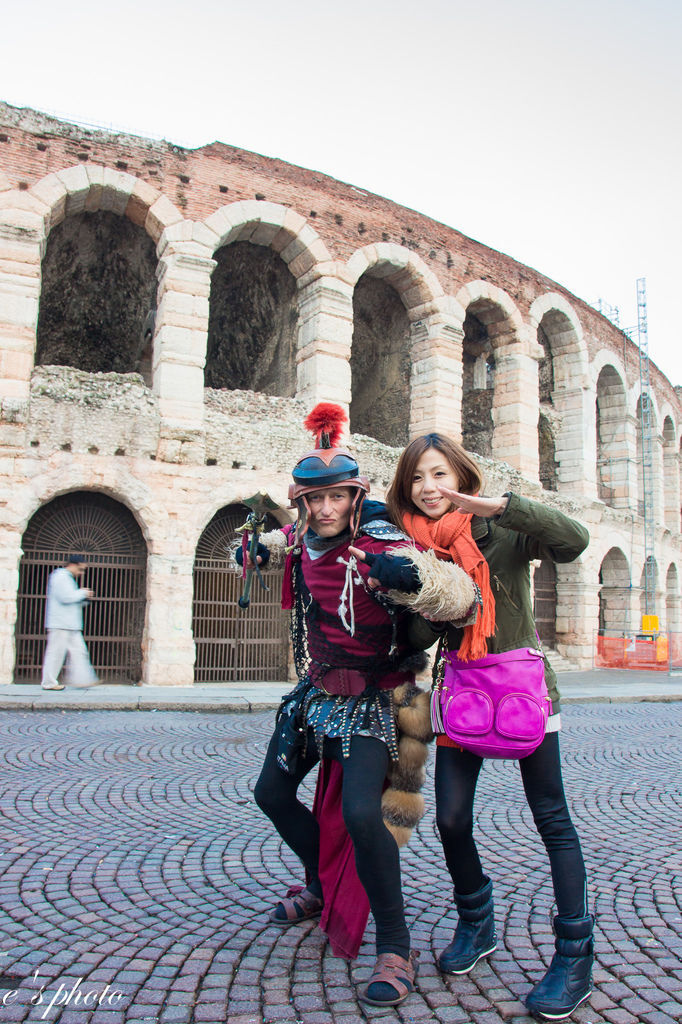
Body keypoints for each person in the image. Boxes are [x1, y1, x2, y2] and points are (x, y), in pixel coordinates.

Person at [233, 405, 476, 1008]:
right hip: (316, 693)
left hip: (377, 696)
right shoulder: (299, 537)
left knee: (366, 817)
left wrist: (409, 578)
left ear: (354, 495)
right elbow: (262, 546)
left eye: (335, 497)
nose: (323, 510)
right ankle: (320, 883)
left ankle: (395, 946)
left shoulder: (382, 539)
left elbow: (458, 594)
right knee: (269, 794)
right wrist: (250, 554)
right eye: (312, 500)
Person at [379, 433, 593, 1022]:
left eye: (440, 475)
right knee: (449, 817)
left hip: (522, 688)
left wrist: (497, 506)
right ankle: (477, 920)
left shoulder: (501, 531)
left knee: (552, 817)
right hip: (462, 692)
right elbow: (418, 643)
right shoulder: (414, 551)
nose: (429, 489)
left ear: (461, 478)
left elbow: (574, 541)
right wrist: (419, 599)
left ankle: (574, 957)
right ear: (405, 488)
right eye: (417, 478)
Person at [41, 555, 98, 691]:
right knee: (55, 654)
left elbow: (71, 599)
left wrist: (83, 598)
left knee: (79, 652)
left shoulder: (67, 578)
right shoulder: (60, 576)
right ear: (73, 565)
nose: (81, 573)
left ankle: (82, 680)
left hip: (70, 625)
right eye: (80, 569)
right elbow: (65, 597)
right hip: (60, 624)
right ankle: (48, 682)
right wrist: (83, 593)